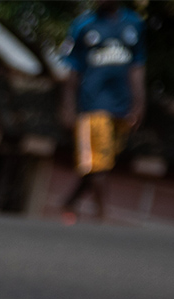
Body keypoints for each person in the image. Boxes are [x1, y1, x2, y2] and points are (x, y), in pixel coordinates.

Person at [59, 1, 146, 222]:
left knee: (98, 163)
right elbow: (72, 70)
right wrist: (68, 107)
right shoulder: (83, 25)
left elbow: (137, 66)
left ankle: (69, 202)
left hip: (121, 107)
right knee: (99, 163)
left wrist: (139, 103)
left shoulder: (134, 24)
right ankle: (102, 216)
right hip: (92, 105)